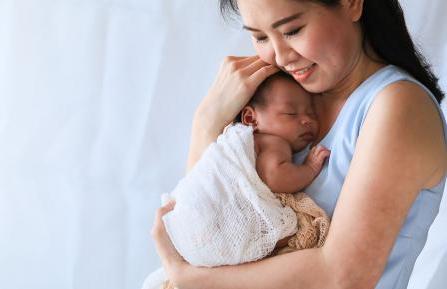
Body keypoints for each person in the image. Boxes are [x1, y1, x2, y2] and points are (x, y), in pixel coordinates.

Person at [151, 0, 447, 288]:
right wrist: (206, 122)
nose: (280, 57)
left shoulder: (399, 107)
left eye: (292, 30)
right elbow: (204, 222)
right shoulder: (282, 101)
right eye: (260, 36)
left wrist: (189, 279)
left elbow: (343, 277)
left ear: (352, 3)